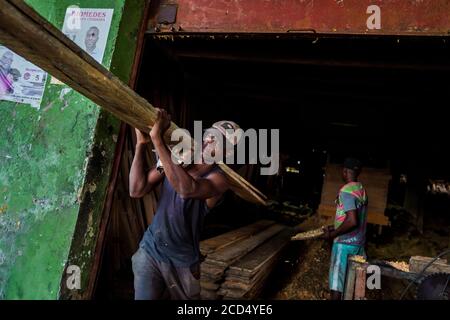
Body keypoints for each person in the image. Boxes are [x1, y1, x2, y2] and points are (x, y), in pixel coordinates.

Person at [129, 108, 241, 300]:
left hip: (182, 261)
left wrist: (158, 140)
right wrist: (141, 144)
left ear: (227, 151)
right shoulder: (180, 158)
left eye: (219, 140)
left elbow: (186, 189)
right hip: (151, 250)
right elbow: (137, 189)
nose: (209, 140)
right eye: (210, 134)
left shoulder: (219, 179)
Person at [321, 157, 368, 300]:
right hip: (358, 244)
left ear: (345, 171)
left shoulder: (346, 191)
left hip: (344, 244)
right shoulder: (361, 189)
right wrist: (334, 226)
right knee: (351, 281)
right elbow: (355, 218)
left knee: (337, 284)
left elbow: (352, 221)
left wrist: (333, 234)